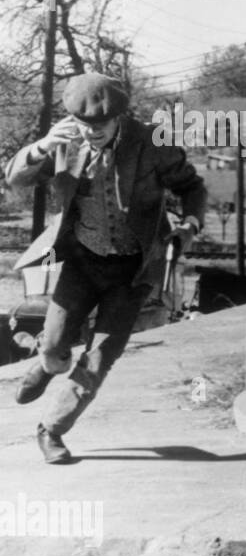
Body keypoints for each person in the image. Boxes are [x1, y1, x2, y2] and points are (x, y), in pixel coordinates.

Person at [5, 73, 207, 464]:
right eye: (85, 125)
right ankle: (48, 364)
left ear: (120, 117)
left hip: (133, 270)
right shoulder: (65, 141)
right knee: (52, 344)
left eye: (101, 125)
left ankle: (52, 430)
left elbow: (192, 187)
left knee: (100, 357)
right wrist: (44, 145)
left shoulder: (153, 142)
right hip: (82, 262)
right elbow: (15, 178)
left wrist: (190, 225)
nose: (92, 133)